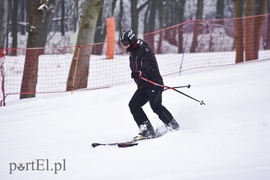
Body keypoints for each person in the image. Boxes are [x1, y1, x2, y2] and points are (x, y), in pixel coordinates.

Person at [119, 29, 179, 140]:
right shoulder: (132, 54)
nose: (125, 46)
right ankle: (147, 129)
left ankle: (174, 126)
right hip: (143, 86)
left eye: (126, 43)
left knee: (156, 106)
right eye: (123, 44)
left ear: (132, 40)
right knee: (133, 104)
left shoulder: (144, 49)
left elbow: (149, 63)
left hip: (153, 83)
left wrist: (141, 71)